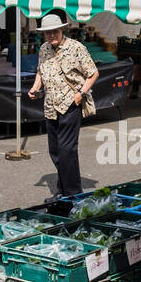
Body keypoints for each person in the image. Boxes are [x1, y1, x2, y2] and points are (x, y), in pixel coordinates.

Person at [28, 13, 98, 197]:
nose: (51, 35)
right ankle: (62, 190)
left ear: (62, 30)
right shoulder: (44, 49)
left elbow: (93, 73)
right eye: (47, 33)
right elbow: (40, 72)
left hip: (70, 104)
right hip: (50, 106)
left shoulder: (76, 48)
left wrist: (80, 94)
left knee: (67, 150)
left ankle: (73, 193)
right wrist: (35, 88)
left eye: (55, 31)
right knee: (56, 151)